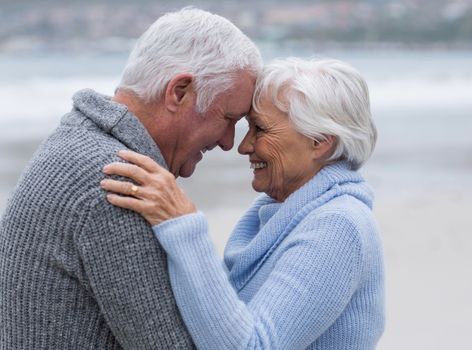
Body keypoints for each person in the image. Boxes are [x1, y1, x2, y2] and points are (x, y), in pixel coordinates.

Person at [0, 8, 262, 349]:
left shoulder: (77, 142)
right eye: (228, 118)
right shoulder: (117, 182)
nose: (229, 141)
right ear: (180, 91)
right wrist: (187, 226)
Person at [101, 58, 385, 349]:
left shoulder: (338, 224)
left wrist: (182, 225)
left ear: (320, 142)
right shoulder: (280, 211)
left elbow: (253, 345)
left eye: (260, 130)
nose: (244, 145)